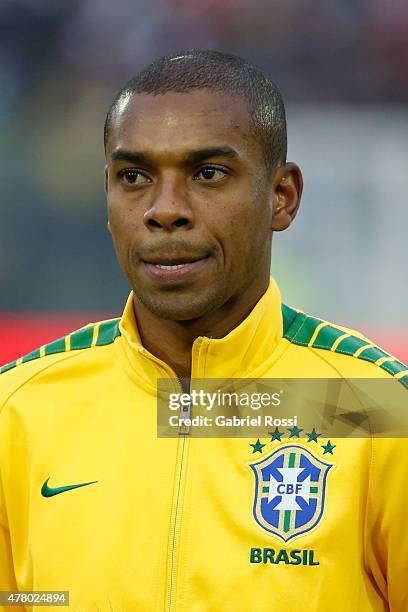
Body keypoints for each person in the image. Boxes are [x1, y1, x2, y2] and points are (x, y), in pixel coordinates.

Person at [0, 50, 407, 612]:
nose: (165, 210)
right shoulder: (17, 410)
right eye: (135, 176)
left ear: (282, 197)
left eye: (208, 173)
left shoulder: (376, 407)